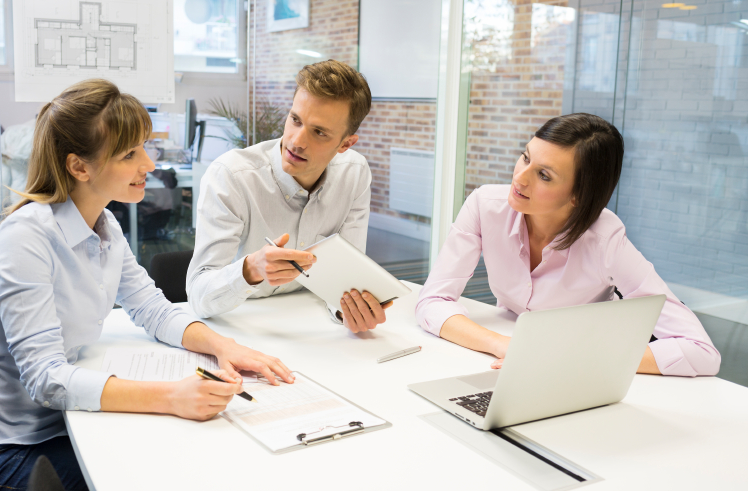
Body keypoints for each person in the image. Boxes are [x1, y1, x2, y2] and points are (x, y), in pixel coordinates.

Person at [0, 79, 293, 491]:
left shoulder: (103, 224)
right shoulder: (24, 240)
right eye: (129, 155)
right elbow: (46, 378)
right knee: (152, 485)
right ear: (79, 167)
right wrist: (172, 396)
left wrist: (227, 348)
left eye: (143, 147)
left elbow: (152, 309)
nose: (149, 163)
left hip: (57, 428)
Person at [415, 113, 720, 377]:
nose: (519, 179)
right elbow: (432, 301)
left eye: (544, 175)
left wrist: (572, 358)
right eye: (525, 157)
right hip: (514, 359)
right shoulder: (485, 205)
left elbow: (701, 351)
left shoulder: (605, 239)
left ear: (579, 195)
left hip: (585, 373)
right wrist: (503, 345)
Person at [187, 60, 389, 334]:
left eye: (319, 132)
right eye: (295, 120)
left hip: (311, 326)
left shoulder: (354, 173)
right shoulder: (232, 175)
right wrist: (250, 270)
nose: (296, 141)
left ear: (345, 144)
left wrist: (350, 311)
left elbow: (346, 282)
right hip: (237, 324)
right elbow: (198, 295)